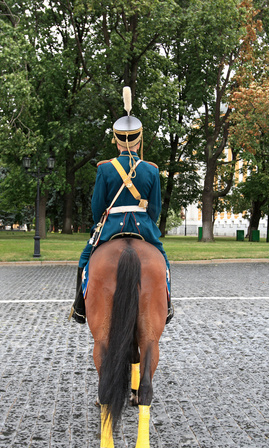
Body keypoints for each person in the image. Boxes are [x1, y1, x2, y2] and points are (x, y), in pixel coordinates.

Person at [69, 87, 173, 325]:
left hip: (111, 226)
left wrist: (100, 224)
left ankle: (80, 309)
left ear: (116, 140)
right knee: (164, 261)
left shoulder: (105, 168)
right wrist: (146, 222)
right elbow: (155, 209)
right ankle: (167, 307)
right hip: (143, 227)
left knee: (85, 259)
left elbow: (97, 208)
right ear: (139, 140)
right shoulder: (151, 170)